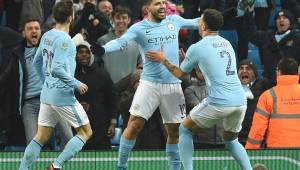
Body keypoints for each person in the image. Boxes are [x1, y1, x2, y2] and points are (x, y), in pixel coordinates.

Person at [91, 0, 199, 169]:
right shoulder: (139, 28)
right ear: (147, 8)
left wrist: (221, 17)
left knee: (174, 131)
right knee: (134, 125)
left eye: (164, 2)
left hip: (172, 84)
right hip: (149, 84)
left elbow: (197, 22)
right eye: (157, 3)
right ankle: (121, 166)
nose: (163, 6)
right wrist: (104, 49)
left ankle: (174, 167)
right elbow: (120, 42)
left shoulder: (174, 21)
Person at [146, 8, 252, 170]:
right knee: (231, 140)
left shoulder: (198, 47)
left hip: (219, 102)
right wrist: (190, 60)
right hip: (239, 101)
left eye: (200, 20)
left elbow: (180, 74)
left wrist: (163, 59)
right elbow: (214, 68)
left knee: (185, 129)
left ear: (203, 25)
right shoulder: (227, 43)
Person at [18, 1, 92, 170]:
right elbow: (57, 68)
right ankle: (56, 166)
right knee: (86, 132)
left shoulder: (48, 35)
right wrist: (76, 82)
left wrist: (47, 81)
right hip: (63, 96)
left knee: (40, 137)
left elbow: (38, 62)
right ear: (71, 17)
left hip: (47, 94)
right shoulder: (64, 39)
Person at [21, 17, 73, 149]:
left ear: (41, 32)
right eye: (30, 29)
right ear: (24, 33)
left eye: (36, 28)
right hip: (30, 104)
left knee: (69, 138)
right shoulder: (17, 54)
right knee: (32, 144)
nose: (34, 31)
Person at [237, 8, 300, 87]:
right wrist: (249, 15)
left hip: (289, 82)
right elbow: (250, 34)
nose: (281, 20)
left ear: (290, 21)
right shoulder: (266, 36)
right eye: (278, 18)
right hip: (269, 81)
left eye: (285, 18)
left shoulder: (297, 38)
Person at [246, 57, 300, 149]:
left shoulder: (268, 96)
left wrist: (250, 151)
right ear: (297, 73)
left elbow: (258, 129)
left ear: (278, 72)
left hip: (277, 151)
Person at [75, 40, 118, 150]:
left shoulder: (101, 74)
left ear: (91, 55)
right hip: (78, 129)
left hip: (100, 129)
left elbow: (112, 98)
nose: (84, 54)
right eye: (80, 52)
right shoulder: (71, 75)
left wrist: (112, 123)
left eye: (87, 52)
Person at [97, 5, 142, 83]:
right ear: (112, 19)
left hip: (129, 90)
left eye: (124, 18)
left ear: (129, 20)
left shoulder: (137, 42)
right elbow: (96, 66)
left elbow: (141, 66)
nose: (121, 21)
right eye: (118, 17)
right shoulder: (102, 41)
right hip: (107, 88)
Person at [237, 59, 269, 145]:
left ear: (254, 73)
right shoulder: (232, 88)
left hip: (257, 138)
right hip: (237, 137)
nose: (244, 71)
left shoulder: (263, 85)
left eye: (248, 68)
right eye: (241, 68)